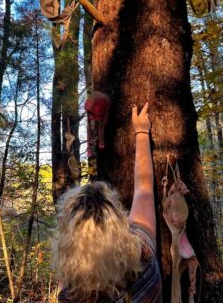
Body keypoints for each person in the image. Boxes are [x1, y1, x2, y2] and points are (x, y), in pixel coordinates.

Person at [53, 102, 162, 302]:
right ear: (117, 220)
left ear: (68, 243)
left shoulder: (71, 296)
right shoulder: (142, 253)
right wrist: (141, 132)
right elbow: (144, 191)